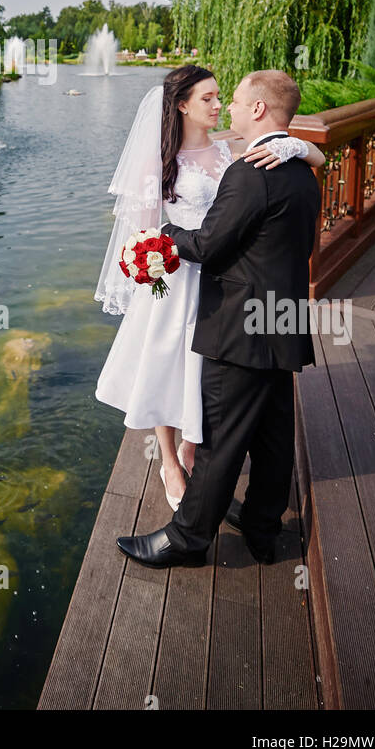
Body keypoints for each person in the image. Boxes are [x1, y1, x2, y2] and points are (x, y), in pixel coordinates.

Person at [114, 69, 322, 568]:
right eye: (213, 97)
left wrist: (163, 231)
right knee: (274, 438)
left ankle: (186, 541)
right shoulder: (301, 171)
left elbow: (207, 244)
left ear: (256, 110)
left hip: (241, 326)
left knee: (218, 441)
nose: (226, 106)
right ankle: (262, 530)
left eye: (232, 100)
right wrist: (298, 146)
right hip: (284, 318)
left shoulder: (250, 171)